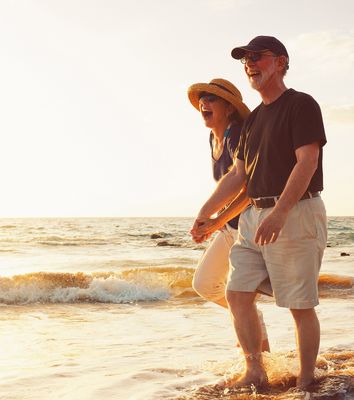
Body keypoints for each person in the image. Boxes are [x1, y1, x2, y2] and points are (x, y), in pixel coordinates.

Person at [191, 36, 327, 389]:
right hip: (254, 219)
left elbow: (307, 161)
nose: (250, 63)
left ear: (280, 62)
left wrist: (280, 212)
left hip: (296, 211)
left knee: (299, 305)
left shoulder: (301, 104)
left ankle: (307, 380)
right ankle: (255, 370)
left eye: (257, 57)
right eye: (245, 60)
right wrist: (206, 214)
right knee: (237, 293)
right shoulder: (252, 122)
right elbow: (238, 175)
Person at [187, 78, 270, 352]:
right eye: (202, 100)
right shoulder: (213, 137)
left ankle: (257, 356)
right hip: (228, 225)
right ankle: (251, 318)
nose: (204, 104)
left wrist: (213, 221)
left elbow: (247, 189)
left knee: (239, 295)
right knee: (205, 283)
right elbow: (225, 187)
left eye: (211, 99)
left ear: (230, 108)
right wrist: (214, 222)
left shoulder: (237, 134)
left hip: (249, 225)